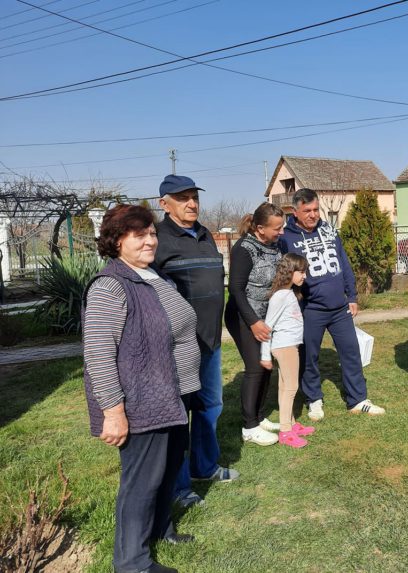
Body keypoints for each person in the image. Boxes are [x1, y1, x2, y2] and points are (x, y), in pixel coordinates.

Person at [83, 204, 198, 573]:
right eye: (140, 235)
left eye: (152, 233)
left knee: (168, 468)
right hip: (142, 401)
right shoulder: (110, 285)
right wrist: (113, 411)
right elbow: (98, 353)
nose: (150, 240)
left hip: (172, 395)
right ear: (117, 241)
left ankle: (160, 529)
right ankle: (132, 562)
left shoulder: (151, 275)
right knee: (142, 481)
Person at [154, 174, 237, 509]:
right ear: (164, 204)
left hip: (211, 341)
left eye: (194, 197)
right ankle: (179, 486)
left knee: (209, 406)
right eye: (182, 198)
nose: (191, 203)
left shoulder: (205, 235)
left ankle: (204, 466)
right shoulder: (157, 240)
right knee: (178, 415)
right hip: (178, 347)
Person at [279, 188, 385, 420]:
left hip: (339, 307)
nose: (313, 214)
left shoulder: (328, 229)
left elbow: (343, 262)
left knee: (351, 351)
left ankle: (357, 399)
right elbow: (284, 273)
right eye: (307, 211)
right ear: (295, 212)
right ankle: (314, 399)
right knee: (309, 357)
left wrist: (352, 296)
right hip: (310, 308)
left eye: (316, 209)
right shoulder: (286, 238)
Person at [224, 203, 286, 447]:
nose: (281, 232)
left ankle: (259, 417)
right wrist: (253, 322)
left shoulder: (276, 245)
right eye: (277, 228)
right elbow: (236, 290)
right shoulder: (244, 249)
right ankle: (249, 427)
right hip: (243, 316)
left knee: (267, 366)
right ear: (260, 228)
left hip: (266, 317)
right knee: (255, 367)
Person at [259, 253, 316, 448]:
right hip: (285, 347)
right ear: (289, 272)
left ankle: (290, 424)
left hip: (289, 346)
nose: (305, 276)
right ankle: (285, 431)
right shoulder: (280, 296)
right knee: (291, 387)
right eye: (301, 272)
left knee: (285, 387)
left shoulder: (289, 293)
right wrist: (265, 356)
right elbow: (267, 326)